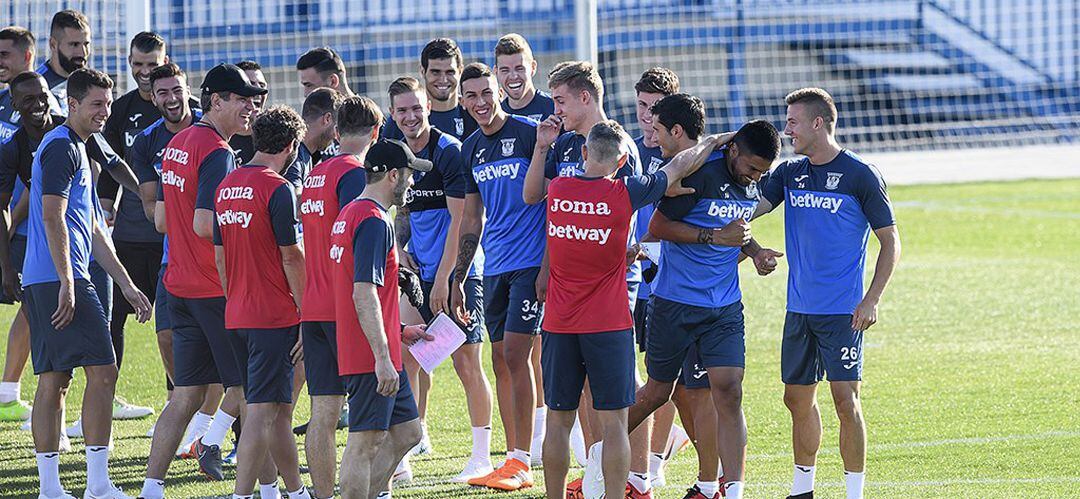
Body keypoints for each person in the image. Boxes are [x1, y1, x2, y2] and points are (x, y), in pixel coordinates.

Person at [538, 119, 723, 499]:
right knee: (614, 425)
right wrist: (717, 140)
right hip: (608, 325)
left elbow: (580, 239)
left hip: (559, 322)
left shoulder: (557, 189)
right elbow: (679, 166)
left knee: (558, 422)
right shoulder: (624, 193)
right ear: (623, 161)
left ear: (585, 153)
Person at [629, 94, 782, 499]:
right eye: (750, 168)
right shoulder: (701, 173)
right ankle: (596, 459)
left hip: (724, 307)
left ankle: (730, 492)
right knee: (656, 394)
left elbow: (738, 227)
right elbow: (657, 228)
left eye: (762, 172)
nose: (754, 177)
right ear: (732, 150)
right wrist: (716, 238)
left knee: (729, 391)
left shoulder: (753, 181)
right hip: (675, 303)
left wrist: (755, 251)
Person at [750, 87, 900, 499]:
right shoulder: (789, 173)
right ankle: (803, 490)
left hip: (843, 312)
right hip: (799, 309)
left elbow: (890, 241)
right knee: (796, 399)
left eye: (793, 122)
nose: (787, 130)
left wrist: (871, 299)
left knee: (844, 400)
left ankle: (854, 493)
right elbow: (748, 211)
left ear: (819, 123)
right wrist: (752, 248)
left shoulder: (860, 175)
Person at [522, 60, 651, 496]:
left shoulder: (621, 147)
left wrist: (636, 249)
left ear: (584, 97)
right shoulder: (563, 145)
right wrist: (545, 269)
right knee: (583, 398)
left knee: (615, 393)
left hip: (613, 282)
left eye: (560, 100)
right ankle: (598, 479)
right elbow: (549, 214)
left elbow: (631, 212)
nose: (554, 109)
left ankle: (636, 479)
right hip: (568, 283)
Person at [138, 63, 266, 499]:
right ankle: (265, 489)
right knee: (252, 393)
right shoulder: (217, 150)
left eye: (253, 99)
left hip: (179, 287)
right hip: (213, 289)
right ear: (217, 101)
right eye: (242, 99)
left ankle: (152, 488)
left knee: (185, 395)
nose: (251, 107)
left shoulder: (177, 143)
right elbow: (204, 223)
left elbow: (161, 218)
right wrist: (249, 233)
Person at [23, 67, 152, 499]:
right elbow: (52, 215)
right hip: (62, 279)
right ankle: (94, 484)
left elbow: (94, 230)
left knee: (57, 378)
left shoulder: (80, 148)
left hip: (59, 278)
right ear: (73, 104)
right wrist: (67, 281)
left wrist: (129, 286)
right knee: (103, 371)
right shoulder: (62, 148)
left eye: (109, 103)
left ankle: (54, 489)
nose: (105, 111)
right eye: (97, 103)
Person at [387, 76, 494, 482]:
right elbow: (404, 212)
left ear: (427, 107)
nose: (411, 116)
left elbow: (460, 220)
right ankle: (405, 452)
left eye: (416, 108)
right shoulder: (396, 153)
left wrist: (447, 278)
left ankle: (481, 455)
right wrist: (401, 249)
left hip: (458, 274)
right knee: (406, 360)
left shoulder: (448, 151)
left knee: (468, 364)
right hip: (418, 275)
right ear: (393, 114)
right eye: (402, 110)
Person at [451, 62, 545, 491]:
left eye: (485, 92)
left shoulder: (530, 134)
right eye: (470, 96)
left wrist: (550, 263)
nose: (480, 102)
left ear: (497, 89)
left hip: (532, 264)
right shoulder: (470, 148)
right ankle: (513, 457)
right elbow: (472, 217)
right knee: (499, 358)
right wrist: (459, 274)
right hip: (496, 268)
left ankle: (525, 458)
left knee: (517, 357)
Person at [213, 105, 310, 499]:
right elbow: (291, 255)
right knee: (261, 413)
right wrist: (306, 314)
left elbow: (219, 257)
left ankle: (292, 491)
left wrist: (234, 296)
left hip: (237, 313)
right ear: (290, 146)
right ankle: (241, 495)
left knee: (274, 414)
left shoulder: (226, 185)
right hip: (273, 316)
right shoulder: (278, 187)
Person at [129, 63, 225, 448]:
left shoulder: (212, 130)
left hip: (211, 260)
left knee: (227, 353)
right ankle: (187, 404)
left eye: (177, 90)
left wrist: (185, 211)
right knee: (167, 336)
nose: (172, 98)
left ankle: (206, 423)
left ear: (190, 90)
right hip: (175, 256)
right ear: (152, 97)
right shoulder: (147, 141)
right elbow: (154, 210)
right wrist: (183, 212)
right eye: (163, 92)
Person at [334, 139, 431, 498]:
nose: (412, 184)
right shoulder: (374, 221)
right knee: (365, 442)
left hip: (380, 344)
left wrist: (400, 331)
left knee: (408, 431)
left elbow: (358, 289)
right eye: (408, 176)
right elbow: (363, 291)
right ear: (393, 175)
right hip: (370, 354)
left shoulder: (351, 213)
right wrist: (380, 357)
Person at [298, 95, 379, 499]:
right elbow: (354, 232)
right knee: (369, 418)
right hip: (344, 307)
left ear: (336, 130)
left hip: (312, 307)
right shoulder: (353, 173)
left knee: (323, 413)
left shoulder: (316, 173)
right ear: (376, 132)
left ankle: (325, 494)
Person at [98, 31, 182, 422]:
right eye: (138, 65)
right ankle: (105, 400)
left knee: (172, 328)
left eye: (152, 65)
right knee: (112, 319)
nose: (145, 73)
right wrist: (104, 203)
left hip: (173, 243)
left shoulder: (192, 115)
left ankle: (176, 405)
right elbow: (110, 164)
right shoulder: (120, 110)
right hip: (130, 234)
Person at [629, 67, 694, 488]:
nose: (647, 116)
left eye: (654, 108)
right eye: (640, 106)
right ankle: (660, 444)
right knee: (649, 370)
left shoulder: (686, 157)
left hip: (675, 280)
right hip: (638, 277)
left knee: (665, 376)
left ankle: (654, 460)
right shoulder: (631, 151)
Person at [0, 26, 40, 422]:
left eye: (5, 55)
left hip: (20, 227)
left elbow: (32, 179)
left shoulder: (40, 103)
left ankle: (8, 394)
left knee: (34, 306)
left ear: (27, 56)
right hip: (11, 225)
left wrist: (12, 221)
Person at [383, 38, 478, 141]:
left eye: (450, 72)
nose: (443, 80)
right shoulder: (404, 119)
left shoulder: (475, 112)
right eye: (435, 72)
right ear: (422, 71)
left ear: (460, 71)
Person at [37, 10, 92, 113]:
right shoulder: (35, 86)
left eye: (86, 44)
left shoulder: (91, 83)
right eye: (74, 44)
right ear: (53, 44)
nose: (82, 52)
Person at [494, 34, 554, 122]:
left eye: (519, 69)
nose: (513, 76)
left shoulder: (555, 109)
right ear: (496, 72)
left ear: (533, 67)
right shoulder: (496, 117)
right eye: (505, 70)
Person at [228, 61, 269, 165]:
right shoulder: (220, 136)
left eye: (262, 85)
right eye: (251, 84)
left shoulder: (276, 136)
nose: (258, 90)